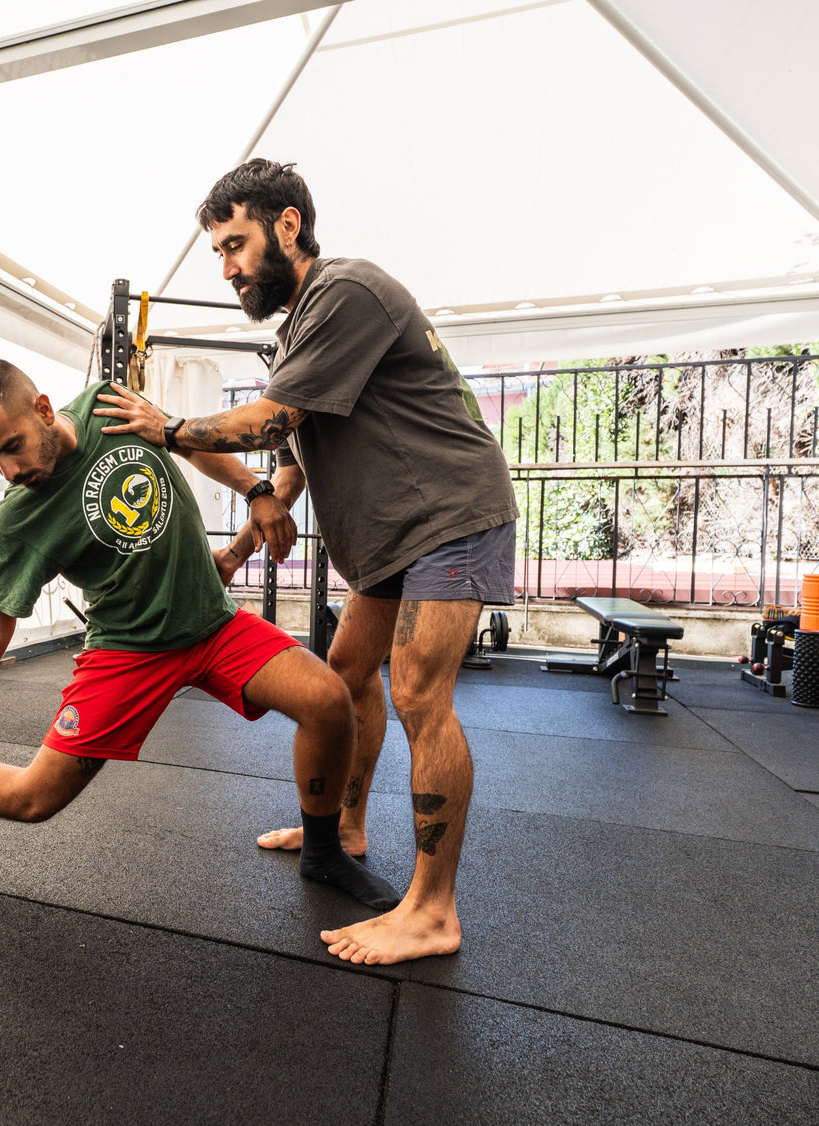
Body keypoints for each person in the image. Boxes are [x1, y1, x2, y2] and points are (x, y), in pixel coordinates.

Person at [94, 158, 518, 965]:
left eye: (235, 245)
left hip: (449, 514)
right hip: (395, 536)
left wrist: (167, 427)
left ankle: (433, 910)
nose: (227, 269)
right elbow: (289, 467)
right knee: (347, 672)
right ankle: (347, 828)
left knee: (418, 691)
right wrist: (235, 550)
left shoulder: (345, 292)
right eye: (219, 253)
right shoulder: (297, 333)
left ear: (287, 225)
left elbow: (270, 420)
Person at [0, 357, 400, 915]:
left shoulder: (107, 406)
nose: (8, 469)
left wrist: (257, 491)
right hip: (128, 649)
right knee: (34, 798)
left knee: (328, 700)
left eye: (12, 446)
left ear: (43, 409)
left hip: (213, 625)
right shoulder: (20, 518)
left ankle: (324, 851)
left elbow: (187, 442)